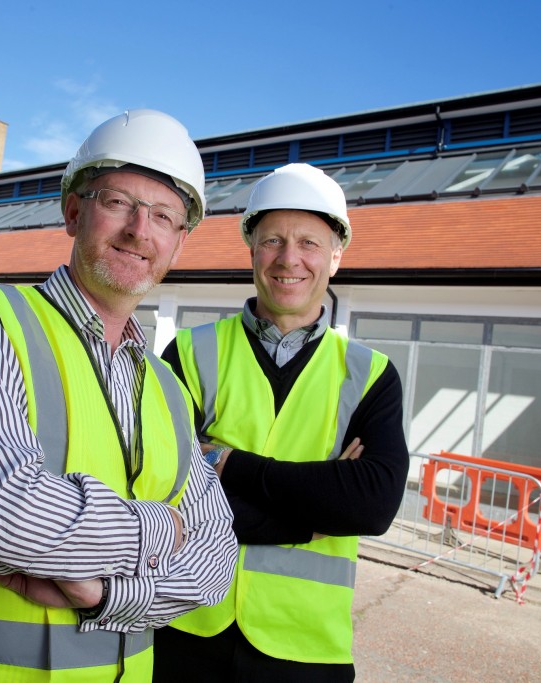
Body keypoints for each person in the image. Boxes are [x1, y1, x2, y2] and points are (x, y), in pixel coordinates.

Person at [0, 110, 238, 682]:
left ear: (179, 243)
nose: (140, 230)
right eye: (118, 202)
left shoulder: (168, 389)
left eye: (163, 216)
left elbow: (215, 563)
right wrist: (162, 529)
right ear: (74, 212)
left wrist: (101, 594)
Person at [154, 163, 409, 682]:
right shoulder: (191, 352)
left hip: (306, 651)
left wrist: (229, 463)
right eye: (273, 240)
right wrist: (307, 517)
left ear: (335, 257)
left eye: (309, 244)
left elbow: (370, 504)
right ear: (252, 251)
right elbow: (163, 490)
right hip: (182, 629)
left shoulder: (370, 374)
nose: (289, 259)